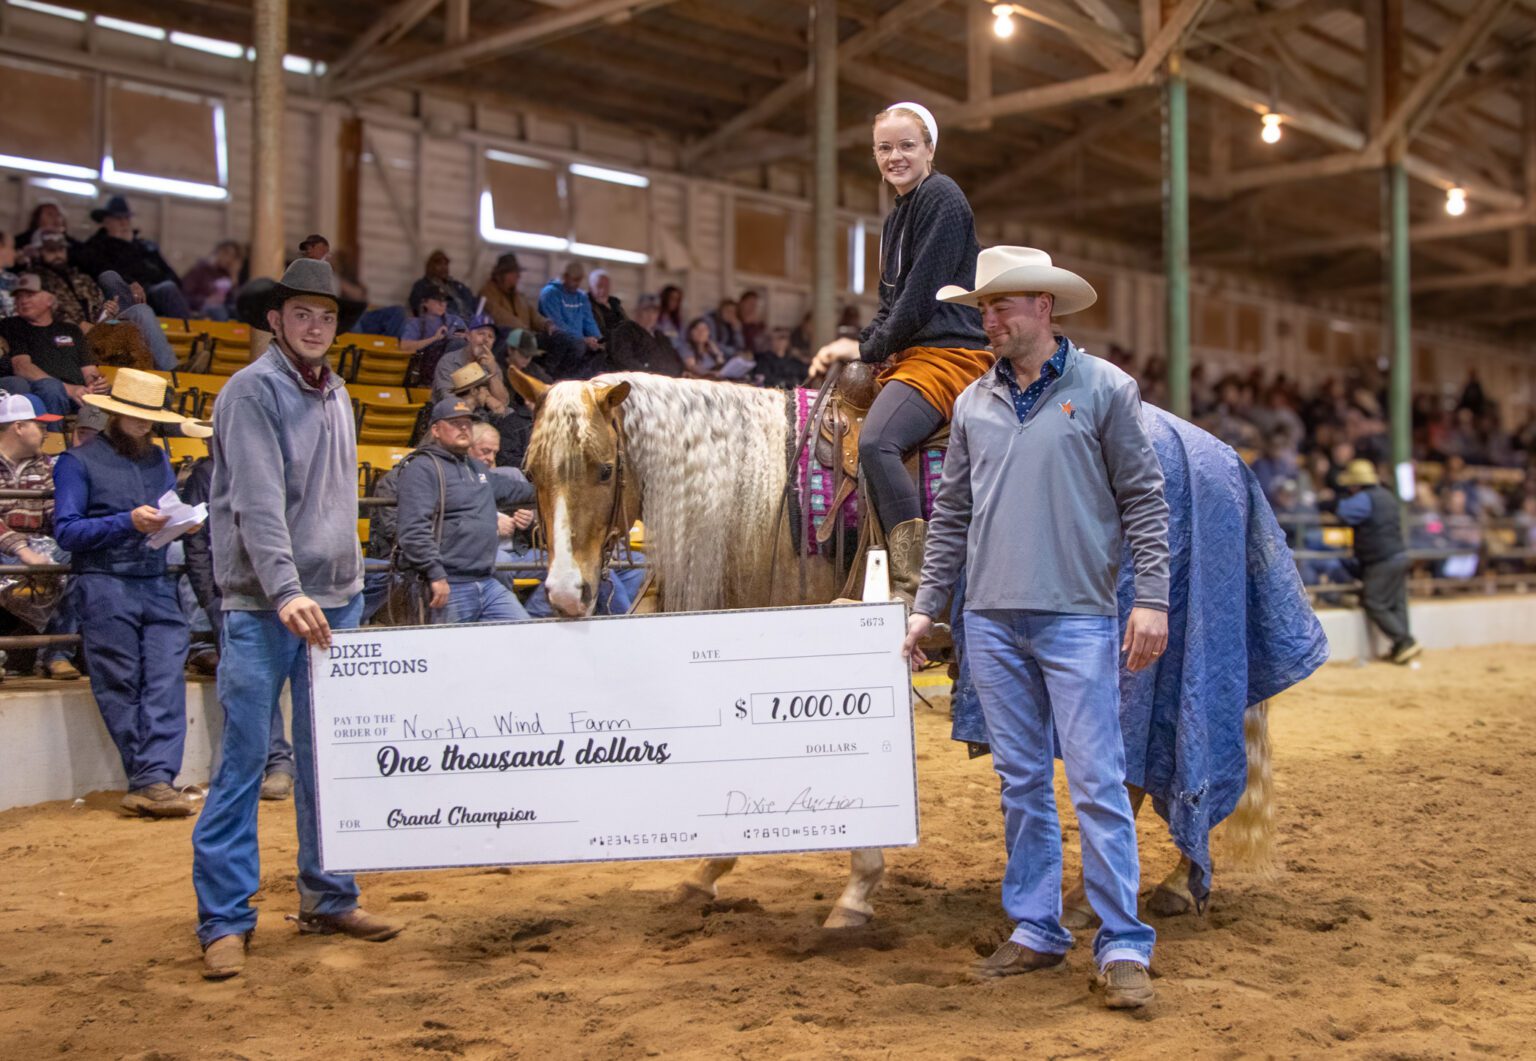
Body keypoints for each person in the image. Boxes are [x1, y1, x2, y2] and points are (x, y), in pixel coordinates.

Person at [901, 245, 1169, 1011]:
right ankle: (1038, 926)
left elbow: (1146, 501)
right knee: (1020, 781)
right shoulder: (972, 404)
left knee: (1095, 781)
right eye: (984, 307)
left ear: (1045, 308)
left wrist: (1151, 596)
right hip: (989, 619)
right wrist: (928, 603)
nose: (989, 319)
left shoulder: (1106, 388)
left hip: (1079, 615)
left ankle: (1121, 941)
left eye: (1004, 305)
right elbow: (952, 514)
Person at [193, 258, 400, 982]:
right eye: (303, 314)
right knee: (245, 763)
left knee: (327, 763)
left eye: (328, 316)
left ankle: (329, 893)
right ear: (275, 320)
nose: (317, 326)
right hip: (264, 604)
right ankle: (223, 918)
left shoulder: (337, 391)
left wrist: (347, 581)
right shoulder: (252, 392)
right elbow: (254, 501)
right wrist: (284, 589)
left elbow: (334, 501)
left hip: (335, 598)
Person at [808, 102, 992, 597]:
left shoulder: (942, 197)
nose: (895, 157)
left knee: (876, 442)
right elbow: (890, 304)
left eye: (907, 145)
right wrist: (860, 349)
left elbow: (919, 298)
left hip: (950, 353)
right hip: (911, 352)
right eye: (884, 148)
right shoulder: (897, 218)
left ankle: (916, 581)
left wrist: (864, 348)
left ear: (930, 149)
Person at [53, 369, 204, 817]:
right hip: (105, 579)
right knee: (122, 679)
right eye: (137, 416)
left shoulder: (155, 460)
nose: (144, 424)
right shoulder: (76, 462)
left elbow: (159, 512)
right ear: (114, 415)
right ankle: (152, 778)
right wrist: (126, 522)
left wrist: (181, 521)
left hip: (151, 576)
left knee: (163, 676)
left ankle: (152, 778)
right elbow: (66, 530)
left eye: (149, 417)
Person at [180, 434, 295, 800]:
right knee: (251, 679)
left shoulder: (271, 468)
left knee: (253, 679)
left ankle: (268, 764)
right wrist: (210, 595)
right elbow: (196, 539)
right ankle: (271, 763)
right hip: (236, 590)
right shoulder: (208, 473)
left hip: (272, 584)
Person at [395, 397, 532, 625]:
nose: (463, 428)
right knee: (448, 654)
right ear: (436, 430)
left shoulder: (476, 467)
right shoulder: (422, 468)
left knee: (523, 634)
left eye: (467, 423)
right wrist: (435, 574)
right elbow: (413, 530)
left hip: (486, 580)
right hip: (448, 582)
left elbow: (516, 490)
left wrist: (560, 487)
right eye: (455, 423)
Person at [0, 392, 79, 679]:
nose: (47, 432)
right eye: (41, 425)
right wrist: (23, 550)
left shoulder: (45, 464)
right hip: (8, 545)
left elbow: (51, 512)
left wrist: (64, 528)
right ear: (18, 426)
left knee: (79, 556)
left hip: (38, 542)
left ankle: (57, 653)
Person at [29, 232, 179, 370]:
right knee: (135, 321)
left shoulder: (81, 278)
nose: (57, 255)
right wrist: (79, 325)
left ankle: (172, 370)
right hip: (70, 335)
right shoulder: (36, 280)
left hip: (101, 327)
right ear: (39, 252)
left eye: (60, 250)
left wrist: (108, 311)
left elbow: (99, 306)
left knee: (137, 307)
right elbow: (43, 311)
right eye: (51, 251)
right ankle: (170, 372)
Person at [1335, 459, 1421, 663]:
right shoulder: (1388, 496)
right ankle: (1402, 647)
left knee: (1374, 600)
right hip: (1399, 554)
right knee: (1397, 602)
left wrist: (1334, 501)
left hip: (1381, 558)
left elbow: (1343, 513)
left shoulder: (1363, 499)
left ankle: (1404, 641)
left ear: (1355, 484)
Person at [0, 275, 111, 417]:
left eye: (30, 295)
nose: (23, 301)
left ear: (50, 299)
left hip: (79, 391)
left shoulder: (71, 329)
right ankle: (53, 438)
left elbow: (89, 370)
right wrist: (69, 389)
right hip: (43, 390)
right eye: (19, 297)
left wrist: (95, 383)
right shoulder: (12, 325)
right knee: (52, 388)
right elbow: (22, 366)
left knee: (112, 390)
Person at [72, 196, 191, 318]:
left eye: (126, 218)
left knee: (170, 288)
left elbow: (172, 276)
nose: (124, 223)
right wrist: (129, 284)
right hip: (125, 298)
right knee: (168, 288)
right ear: (106, 222)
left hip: (156, 294)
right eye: (118, 218)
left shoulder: (146, 247)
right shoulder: (96, 247)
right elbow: (102, 272)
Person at [432, 313, 507, 405]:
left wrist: (492, 373)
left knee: (508, 412)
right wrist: (478, 399)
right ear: (468, 336)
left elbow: (503, 402)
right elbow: (447, 399)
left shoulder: (492, 365)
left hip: (484, 414)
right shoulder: (448, 361)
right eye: (481, 333)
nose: (486, 339)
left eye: (490, 336)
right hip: (451, 415)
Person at [479, 252, 550, 334]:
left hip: (525, 339)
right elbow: (499, 316)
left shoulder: (520, 297)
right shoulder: (487, 294)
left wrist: (546, 324)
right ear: (501, 275)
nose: (518, 276)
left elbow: (534, 316)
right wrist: (525, 330)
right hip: (503, 343)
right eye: (513, 272)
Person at [538, 262, 602, 353]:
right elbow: (557, 324)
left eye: (580, 280)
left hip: (579, 342)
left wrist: (598, 339)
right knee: (578, 347)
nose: (578, 284)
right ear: (565, 276)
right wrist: (582, 340)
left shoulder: (581, 297)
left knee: (600, 350)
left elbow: (589, 322)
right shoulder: (550, 294)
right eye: (575, 280)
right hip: (558, 342)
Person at [180, 240, 243, 317]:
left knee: (240, 311)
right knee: (216, 308)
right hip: (201, 309)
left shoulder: (226, 274)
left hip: (222, 308)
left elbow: (234, 301)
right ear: (218, 252)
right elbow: (184, 296)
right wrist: (206, 301)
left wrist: (234, 276)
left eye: (233, 257)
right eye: (226, 254)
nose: (229, 259)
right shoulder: (200, 270)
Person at [409, 249, 475, 321]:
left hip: (467, 320)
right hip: (442, 321)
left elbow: (470, 300)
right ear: (431, 266)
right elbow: (417, 306)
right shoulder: (422, 285)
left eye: (445, 264)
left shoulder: (457, 286)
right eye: (439, 264)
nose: (444, 267)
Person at [587, 268, 627, 341]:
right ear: (590, 288)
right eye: (599, 286)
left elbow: (627, 323)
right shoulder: (586, 306)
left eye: (606, 286)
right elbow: (596, 331)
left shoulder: (615, 304)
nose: (603, 290)